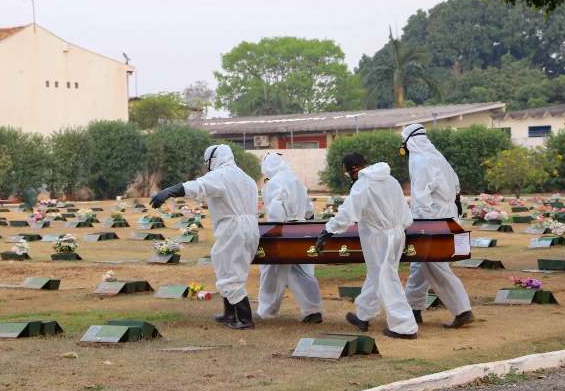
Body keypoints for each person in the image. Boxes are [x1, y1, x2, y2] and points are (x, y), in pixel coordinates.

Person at [150, 144, 260, 330]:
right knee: (224, 264)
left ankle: (244, 318)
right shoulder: (247, 178)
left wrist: (169, 191)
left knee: (230, 272)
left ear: (213, 160)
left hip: (233, 227)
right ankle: (229, 313)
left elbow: (198, 186)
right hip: (249, 227)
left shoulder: (221, 175)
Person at [315, 153, 418, 339]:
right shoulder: (391, 180)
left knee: (387, 278)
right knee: (377, 275)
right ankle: (364, 315)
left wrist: (328, 230)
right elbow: (405, 211)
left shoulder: (364, 184)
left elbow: (348, 212)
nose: (348, 176)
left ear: (354, 169)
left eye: (347, 173)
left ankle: (404, 327)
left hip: (379, 237)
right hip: (397, 232)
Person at [400, 123, 474, 329]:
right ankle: (412, 309)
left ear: (409, 142)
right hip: (447, 215)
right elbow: (456, 185)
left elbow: (422, 198)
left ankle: (462, 310)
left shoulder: (419, 161)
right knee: (419, 265)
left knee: (435, 265)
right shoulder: (436, 156)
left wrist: (419, 226)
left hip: (432, 218)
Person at [258, 153, 323, 323]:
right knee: (304, 272)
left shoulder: (274, 183)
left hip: (282, 231)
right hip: (300, 229)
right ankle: (313, 310)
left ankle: (267, 311)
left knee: (271, 272)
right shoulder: (296, 181)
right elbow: (309, 210)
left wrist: (275, 229)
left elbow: (275, 209)